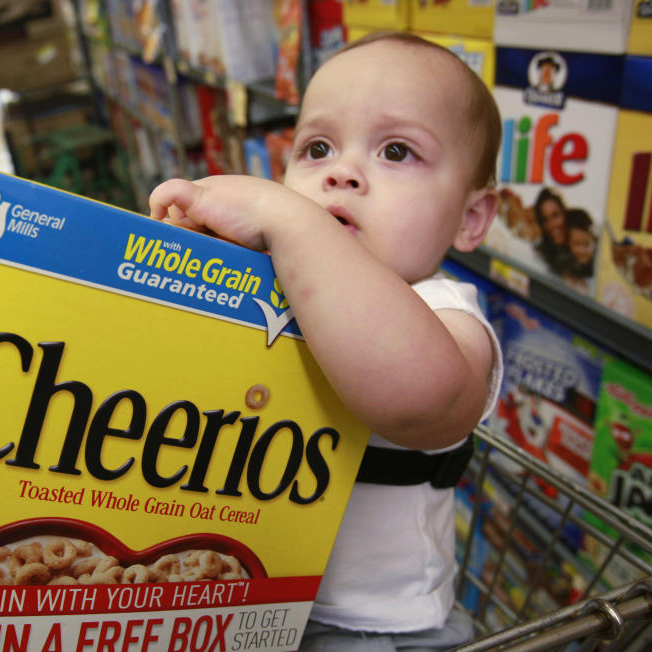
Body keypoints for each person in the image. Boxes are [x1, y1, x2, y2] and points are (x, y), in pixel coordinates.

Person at [149, 31, 504, 650]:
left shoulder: (444, 310)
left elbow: (419, 399)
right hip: (240, 597)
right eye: (318, 147)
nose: (342, 172)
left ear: (470, 219)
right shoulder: (273, 282)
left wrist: (288, 218)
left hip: (370, 626)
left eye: (396, 151)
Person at [534, 187, 572, 274]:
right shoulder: (540, 257)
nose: (552, 225)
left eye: (555, 215)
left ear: (565, 213)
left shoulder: (580, 248)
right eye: (545, 220)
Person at [562, 208, 597, 293]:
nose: (582, 251)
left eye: (586, 244)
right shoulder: (565, 265)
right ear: (567, 244)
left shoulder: (597, 266)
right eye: (576, 244)